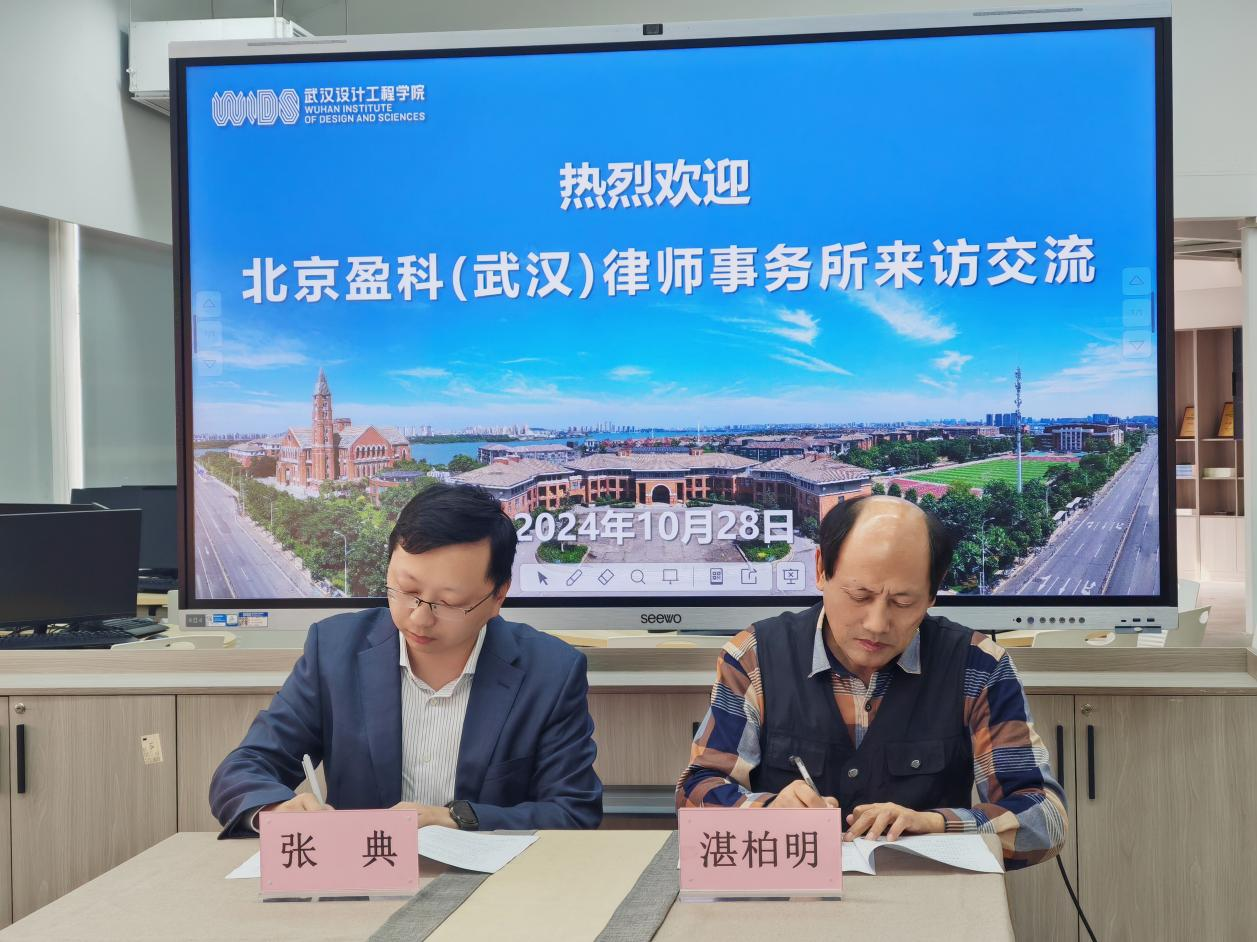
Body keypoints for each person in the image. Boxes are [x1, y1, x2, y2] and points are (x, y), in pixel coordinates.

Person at [676, 495, 1067, 869]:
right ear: (821, 569)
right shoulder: (755, 656)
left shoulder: (978, 666)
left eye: (903, 602)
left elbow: (1045, 820)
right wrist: (768, 812)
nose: (877, 625)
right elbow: (696, 794)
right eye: (859, 595)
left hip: (926, 898)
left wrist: (935, 825)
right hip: (790, 894)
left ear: (933, 593)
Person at [210, 481, 602, 836]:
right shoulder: (334, 649)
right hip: (364, 877)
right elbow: (245, 768)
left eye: (448, 603)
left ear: (498, 596)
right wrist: (276, 810)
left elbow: (573, 811)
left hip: (495, 882)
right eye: (406, 590)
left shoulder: (550, 671)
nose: (419, 618)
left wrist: (456, 819)